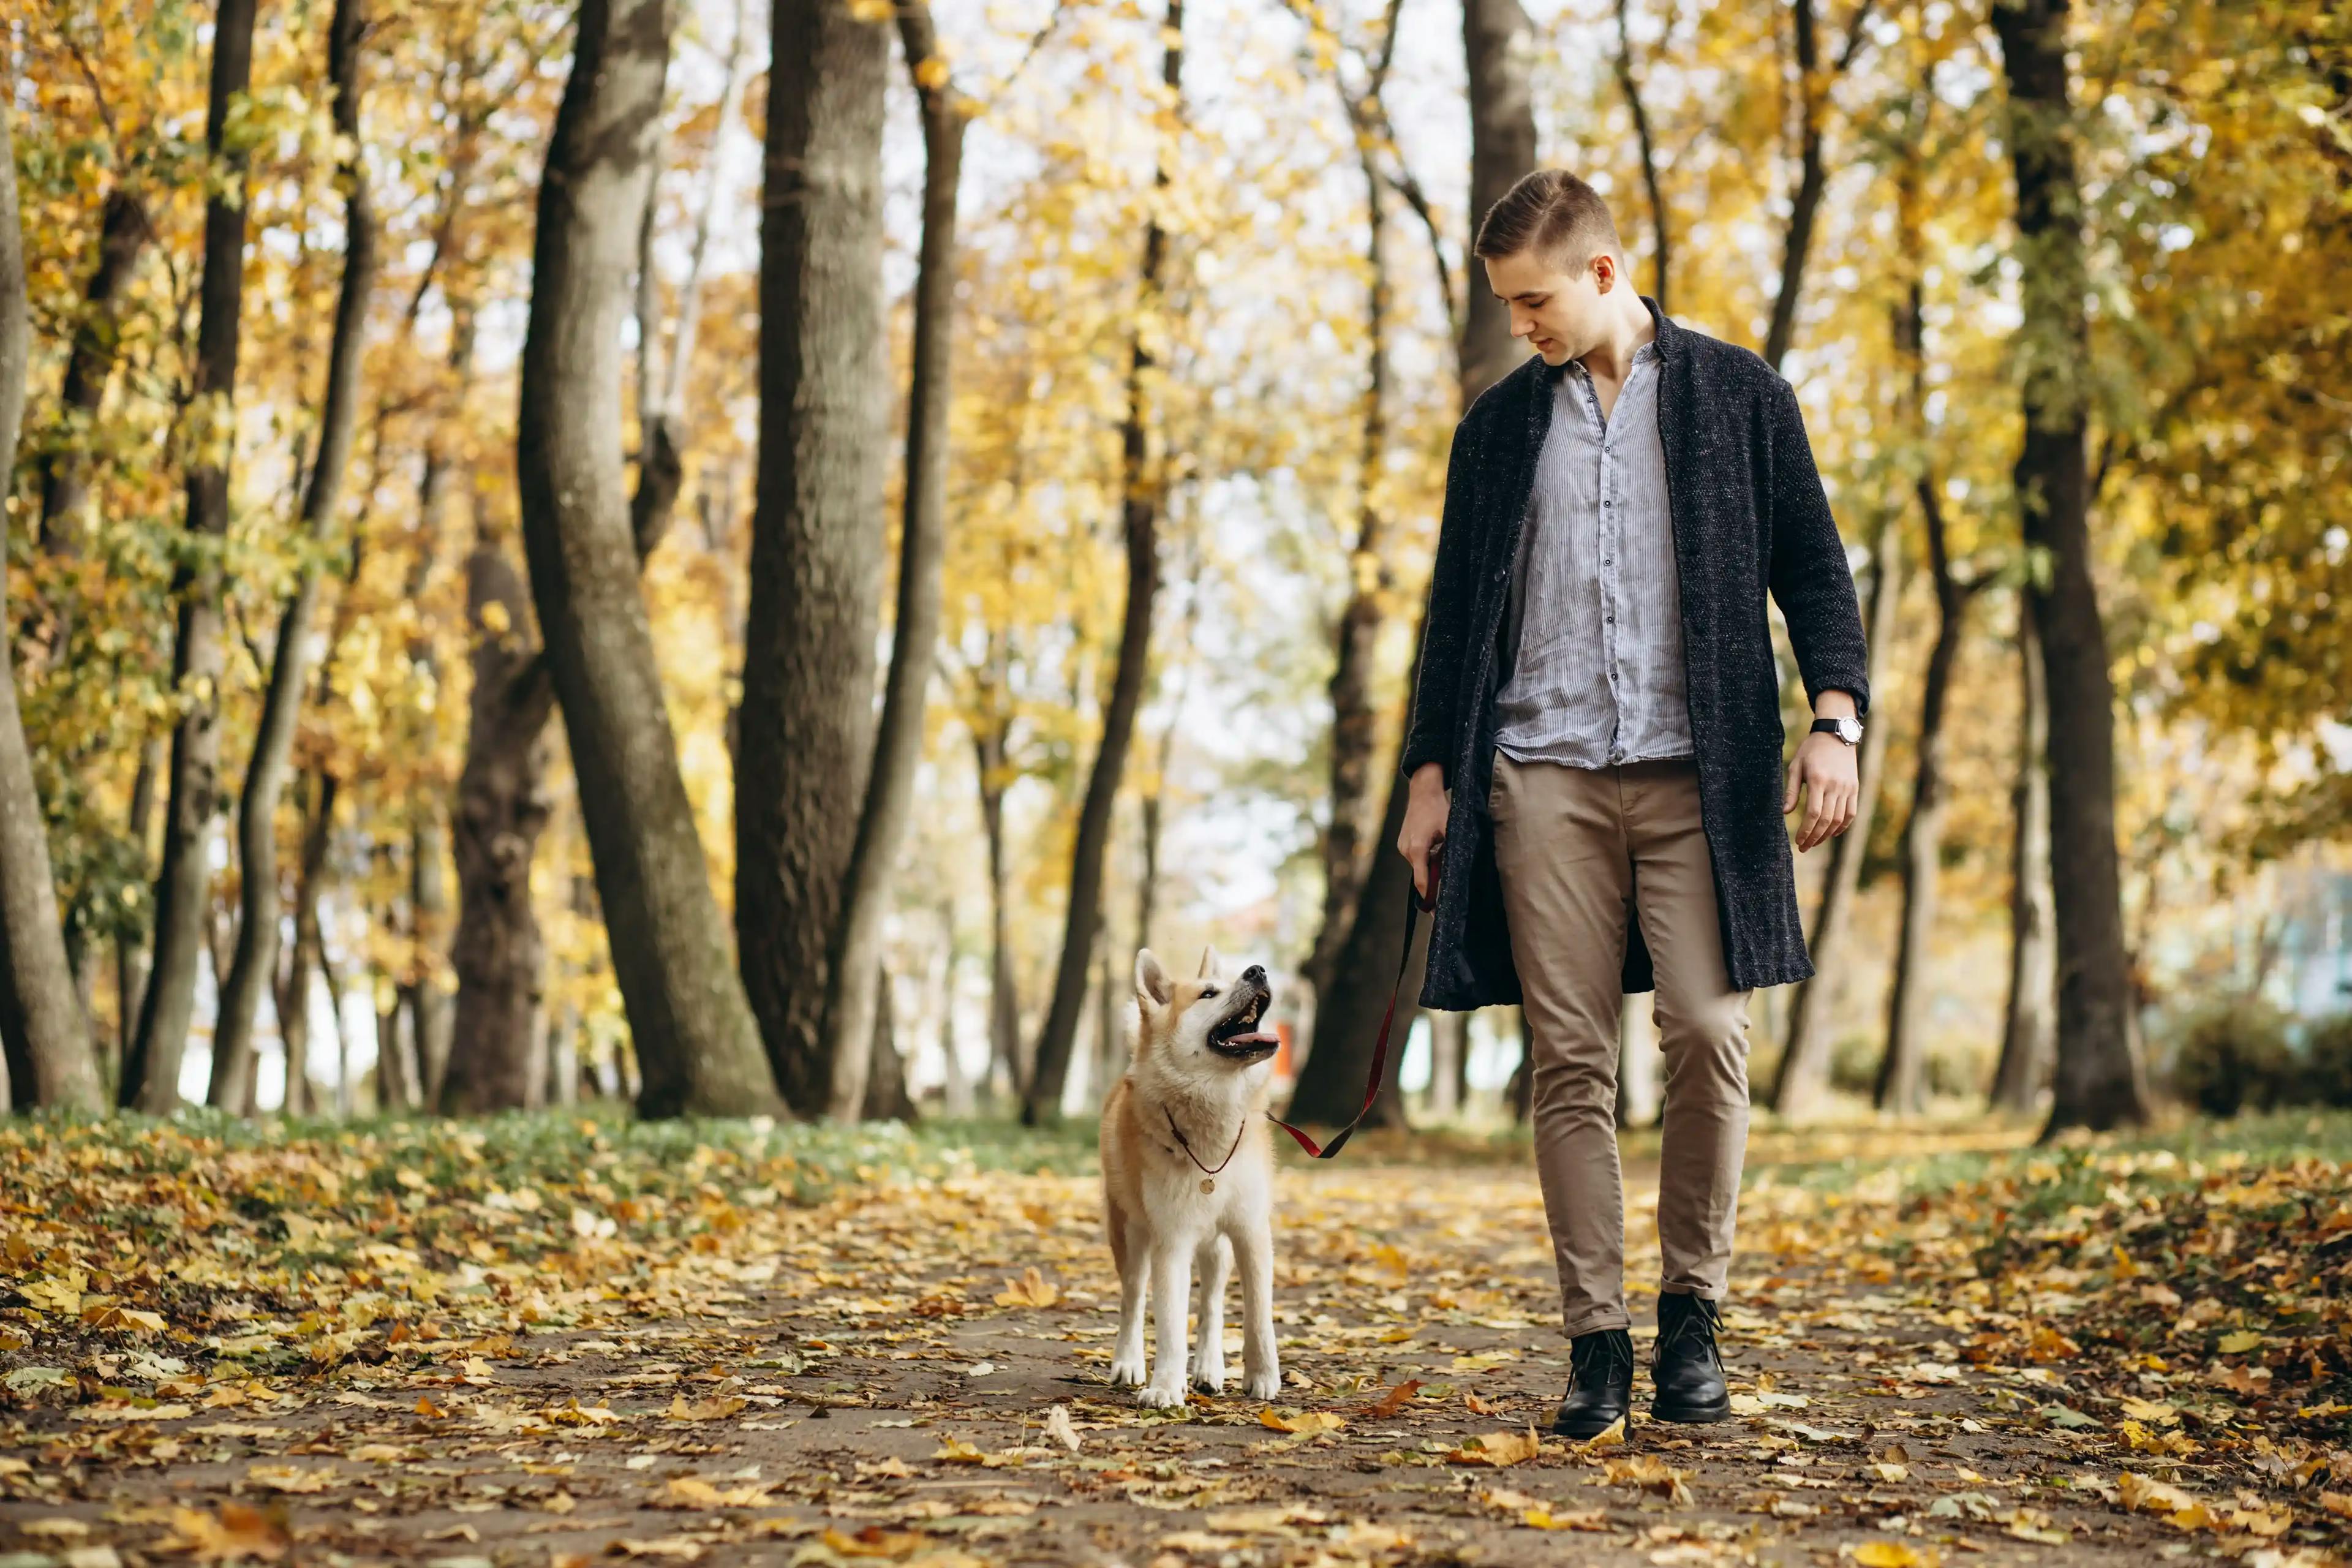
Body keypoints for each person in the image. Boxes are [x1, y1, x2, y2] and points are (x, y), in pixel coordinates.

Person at [1395, 169, 1869, 1436]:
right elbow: (1455, 621)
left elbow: (1817, 572)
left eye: (1533, 299)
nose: (1520, 326)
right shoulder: (1498, 430)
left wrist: (1835, 722)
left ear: (1603, 272)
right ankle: (1596, 1342)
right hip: (1540, 776)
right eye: (1506, 305)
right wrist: (1430, 777)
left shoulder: (1740, 398)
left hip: (1694, 780)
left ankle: (1693, 1319)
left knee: (1710, 1031)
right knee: (1569, 1056)